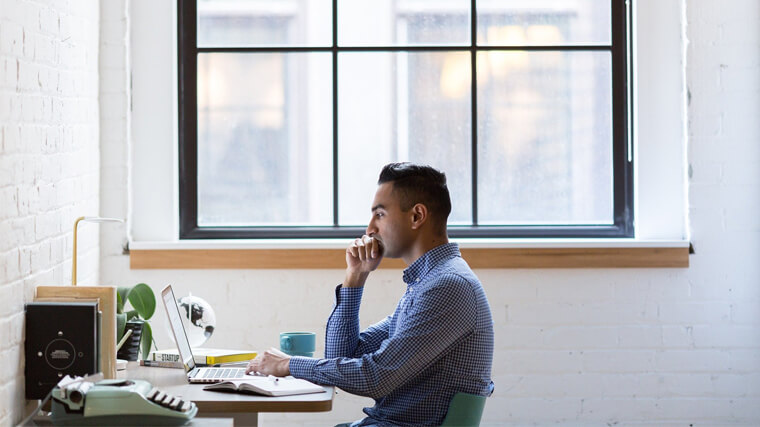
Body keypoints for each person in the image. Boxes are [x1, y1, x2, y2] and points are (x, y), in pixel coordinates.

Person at [247, 162, 494, 426]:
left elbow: (376, 378)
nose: (369, 229)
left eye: (380, 214)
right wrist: (355, 277)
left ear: (416, 216)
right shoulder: (426, 284)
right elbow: (341, 357)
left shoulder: (447, 286)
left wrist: (288, 365)